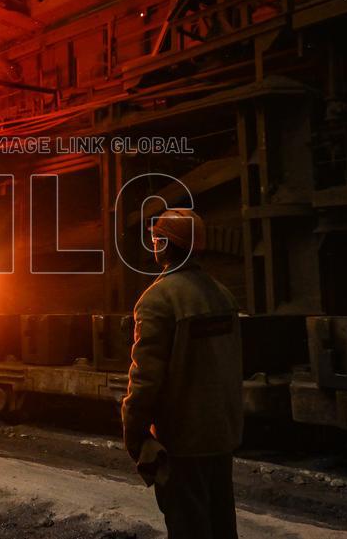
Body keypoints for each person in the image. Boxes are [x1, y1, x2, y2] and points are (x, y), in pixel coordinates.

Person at [121, 208, 243, 539]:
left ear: (166, 245)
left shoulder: (157, 300)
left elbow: (146, 378)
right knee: (220, 524)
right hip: (220, 436)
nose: (154, 245)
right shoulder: (223, 295)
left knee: (189, 526)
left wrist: (134, 432)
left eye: (156, 239)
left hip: (182, 441)